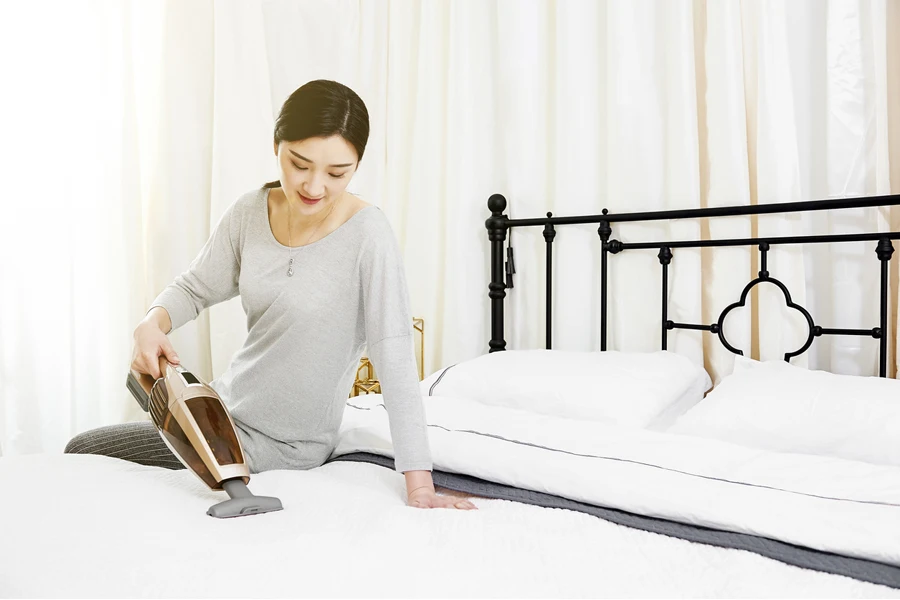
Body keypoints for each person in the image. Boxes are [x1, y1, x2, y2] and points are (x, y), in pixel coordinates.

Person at [65, 79, 476, 511]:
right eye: (300, 164)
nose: (315, 187)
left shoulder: (368, 234)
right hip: (219, 414)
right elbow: (193, 287)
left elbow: (393, 356)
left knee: (90, 459)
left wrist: (420, 487)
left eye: (337, 173)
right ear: (277, 144)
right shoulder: (250, 212)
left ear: (357, 166)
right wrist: (151, 323)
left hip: (285, 447)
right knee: (83, 448)